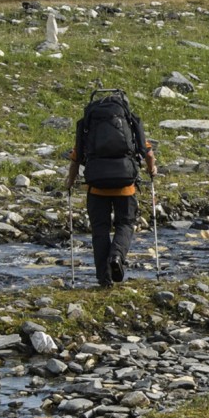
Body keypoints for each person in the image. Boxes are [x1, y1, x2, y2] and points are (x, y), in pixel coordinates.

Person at [65, 89, 158, 286]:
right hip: (125, 184)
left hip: (97, 185)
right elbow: (147, 153)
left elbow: (76, 158)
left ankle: (103, 278)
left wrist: (70, 182)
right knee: (125, 224)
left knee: (100, 230)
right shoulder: (129, 122)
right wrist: (152, 170)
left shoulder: (88, 125)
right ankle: (117, 257)